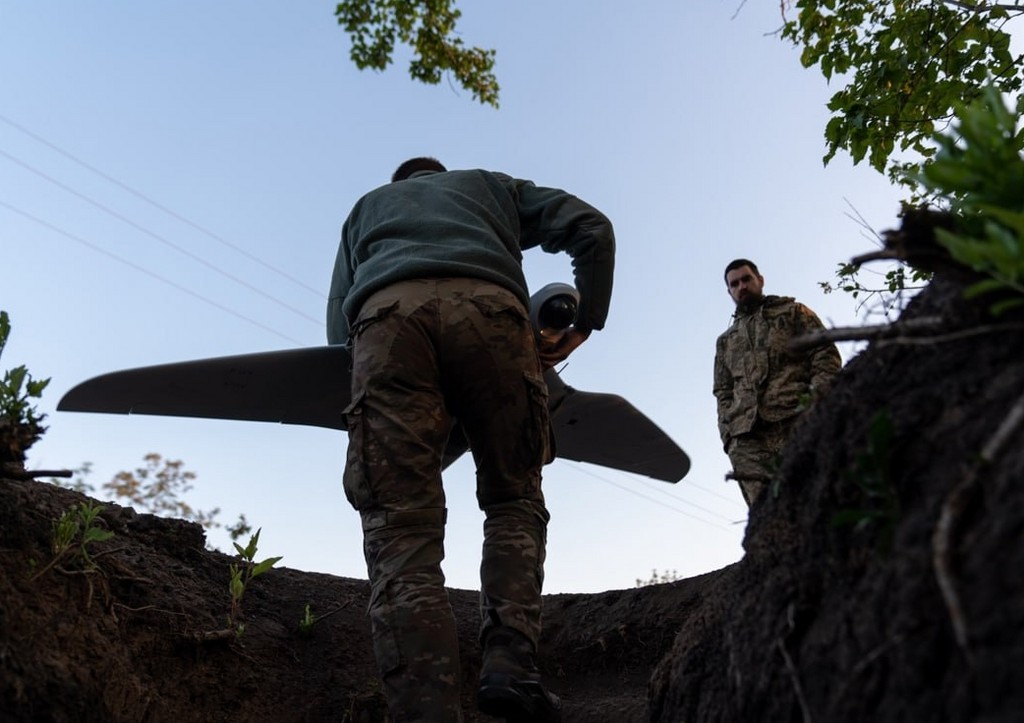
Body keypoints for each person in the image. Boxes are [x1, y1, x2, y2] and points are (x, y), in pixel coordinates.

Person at [327, 157, 615, 722]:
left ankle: (425, 708)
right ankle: (510, 669)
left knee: (399, 524)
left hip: (386, 322)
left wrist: (376, 384)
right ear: (441, 174)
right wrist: (587, 321)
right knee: (513, 498)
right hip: (493, 314)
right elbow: (592, 226)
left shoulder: (365, 209)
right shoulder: (490, 187)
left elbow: (340, 333)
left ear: (399, 186)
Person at [713, 259, 841, 507]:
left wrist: (817, 401)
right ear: (729, 291)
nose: (742, 287)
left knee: (816, 495)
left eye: (746, 279)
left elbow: (824, 353)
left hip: (795, 420)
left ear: (760, 280)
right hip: (747, 438)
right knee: (768, 512)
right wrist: (729, 436)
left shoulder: (792, 312)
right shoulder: (726, 341)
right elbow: (723, 391)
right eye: (734, 284)